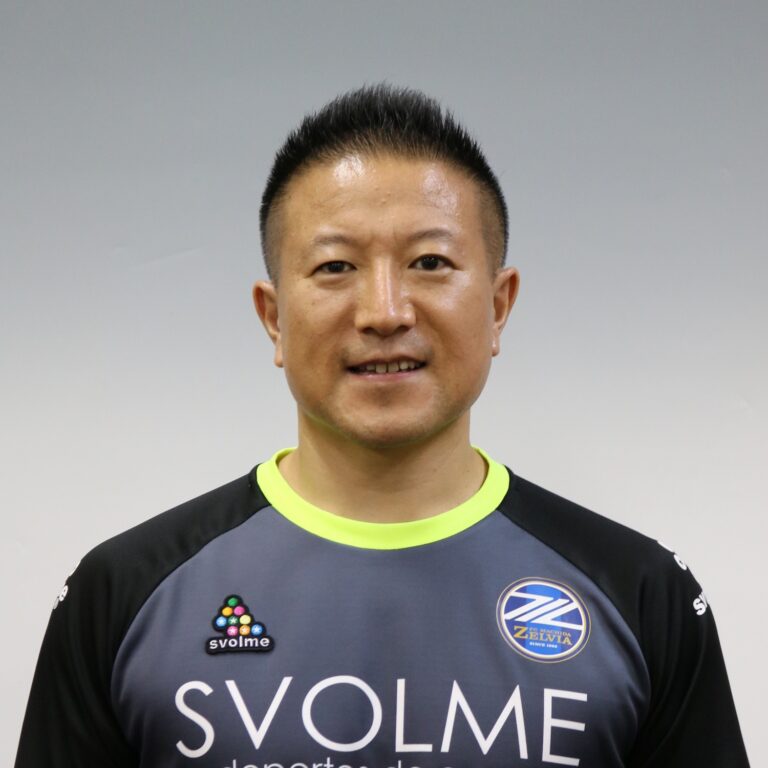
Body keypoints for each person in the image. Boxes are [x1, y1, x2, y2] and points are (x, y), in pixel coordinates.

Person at [15, 84, 749, 768]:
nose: (385, 312)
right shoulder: (124, 595)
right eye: (336, 267)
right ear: (273, 318)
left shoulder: (640, 594)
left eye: (430, 261)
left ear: (498, 307)